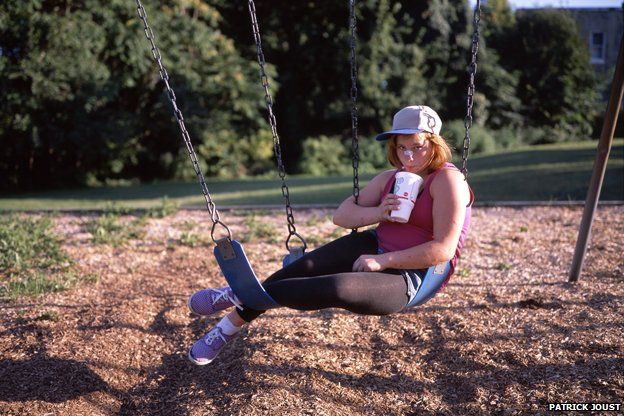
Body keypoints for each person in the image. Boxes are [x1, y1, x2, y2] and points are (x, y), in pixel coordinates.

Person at [186, 105, 474, 365]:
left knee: (334, 288)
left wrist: (385, 261)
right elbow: (342, 215)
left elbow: (443, 249)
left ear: (434, 143)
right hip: (374, 245)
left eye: (417, 147)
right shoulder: (391, 178)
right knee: (303, 268)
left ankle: (236, 295)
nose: (408, 157)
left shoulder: (448, 180)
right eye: (401, 148)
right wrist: (379, 214)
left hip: (412, 275)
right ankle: (226, 329)